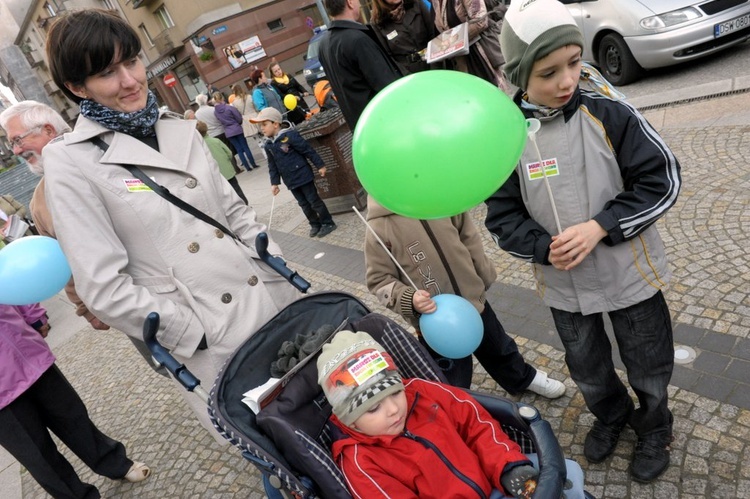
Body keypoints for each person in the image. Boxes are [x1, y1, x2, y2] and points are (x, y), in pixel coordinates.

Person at [43, 8, 301, 437]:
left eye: (131, 61)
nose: (130, 80)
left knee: (331, 413)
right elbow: (101, 285)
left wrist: (274, 262)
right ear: (76, 87)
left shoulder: (176, 127)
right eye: (108, 73)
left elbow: (232, 210)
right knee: (277, 450)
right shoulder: (70, 161)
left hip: (268, 300)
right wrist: (190, 332)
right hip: (211, 335)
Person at [485, 0, 681, 483]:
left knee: (648, 360)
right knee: (588, 366)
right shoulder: (506, 136)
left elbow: (662, 180)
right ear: (518, 76)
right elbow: (502, 214)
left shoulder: (607, 111)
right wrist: (539, 245)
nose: (567, 80)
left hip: (629, 273)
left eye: (574, 62)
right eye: (549, 72)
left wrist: (601, 226)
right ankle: (611, 414)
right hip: (564, 286)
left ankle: (654, 425)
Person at [364, 195, 565, 397]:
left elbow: (468, 237)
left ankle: (522, 378)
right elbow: (378, 280)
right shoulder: (379, 227)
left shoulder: (441, 198)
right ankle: (456, 405)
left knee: (499, 347)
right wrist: (409, 299)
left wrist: (482, 274)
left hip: (473, 301)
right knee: (451, 375)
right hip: (434, 320)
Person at [317, 330, 540, 498]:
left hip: (493, 475)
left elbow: (474, 422)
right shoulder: (361, 464)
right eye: (374, 408)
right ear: (351, 421)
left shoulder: (421, 392)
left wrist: (507, 465)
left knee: (568, 475)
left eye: (395, 393)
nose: (394, 409)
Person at [0, 303, 150, 499]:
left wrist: (35, 316)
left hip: (26, 353)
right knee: (37, 455)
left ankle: (115, 463)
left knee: (73, 417)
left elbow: (13, 281)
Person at [0, 100, 112, 332]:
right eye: (12, 145)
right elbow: (62, 263)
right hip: (121, 305)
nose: (17, 151)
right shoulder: (39, 202)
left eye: (18, 140)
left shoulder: (108, 157)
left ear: (49, 130)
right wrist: (84, 307)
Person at [250, 107, 336, 238]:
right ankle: (315, 224)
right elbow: (272, 165)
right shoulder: (268, 145)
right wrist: (274, 183)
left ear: (275, 124)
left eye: (264, 124)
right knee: (303, 204)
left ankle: (327, 222)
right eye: (260, 126)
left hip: (303, 175)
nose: (261, 128)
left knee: (314, 201)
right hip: (290, 180)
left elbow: (307, 150)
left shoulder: (289, 136)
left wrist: (320, 165)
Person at [318, 0, 403, 130]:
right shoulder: (357, 39)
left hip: (360, 127)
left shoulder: (323, 44)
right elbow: (387, 86)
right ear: (350, 2)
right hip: (384, 123)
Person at [431, 0, 508, 89]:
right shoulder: (435, 2)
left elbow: (481, 21)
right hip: (457, 59)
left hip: (478, 53)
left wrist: (454, 40)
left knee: (488, 92)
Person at [370, 0, 436, 74]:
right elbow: (389, 58)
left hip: (434, 63)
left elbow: (434, 35)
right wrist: (406, 75)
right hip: (408, 75)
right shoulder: (377, 23)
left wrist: (435, 66)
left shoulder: (417, 4)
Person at [196, 120, 248, 204]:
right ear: (206, 129)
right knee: (236, 189)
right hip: (228, 171)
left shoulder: (200, 147)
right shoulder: (216, 141)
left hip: (216, 175)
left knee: (225, 194)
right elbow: (229, 153)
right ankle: (245, 203)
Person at [212, 91, 259, 171]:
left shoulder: (215, 112)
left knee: (239, 150)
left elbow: (219, 120)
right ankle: (253, 164)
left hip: (228, 131)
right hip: (237, 128)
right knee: (245, 147)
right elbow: (239, 118)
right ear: (222, 98)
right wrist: (237, 123)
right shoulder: (229, 108)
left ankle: (247, 167)